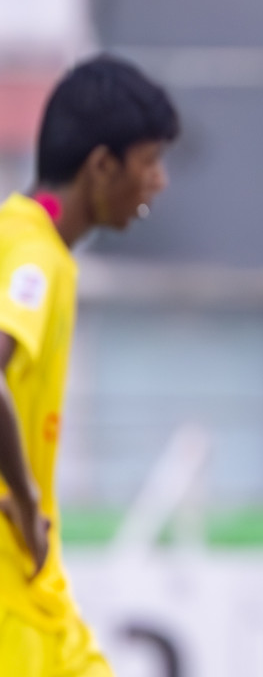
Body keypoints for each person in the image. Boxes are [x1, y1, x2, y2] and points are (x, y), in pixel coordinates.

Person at [0, 55, 179, 676]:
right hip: (12, 596)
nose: (158, 182)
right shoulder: (34, 257)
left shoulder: (22, 237)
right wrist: (24, 497)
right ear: (102, 167)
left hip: (35, 588)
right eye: (149, 162)